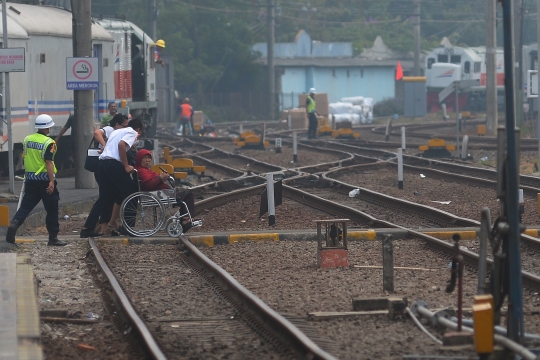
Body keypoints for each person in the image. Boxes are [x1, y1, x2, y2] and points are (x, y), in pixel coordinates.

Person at [6, 114, 67, 246]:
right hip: (45, 180)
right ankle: (53, 238)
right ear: (48, 127)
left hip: (30, 179)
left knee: (25, 207)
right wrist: (51, 181)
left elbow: (26, 156)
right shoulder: (49, 143)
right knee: (52, 209)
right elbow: (49, 162)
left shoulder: (27, 139)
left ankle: (14, 225)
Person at [80, 119, 142, 238]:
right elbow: (121, 145)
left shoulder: (116, 132)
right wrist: (126, 165)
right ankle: (128, 228)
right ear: (138, 129)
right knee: (132, 193)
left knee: (105, 197)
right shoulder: (132, 132)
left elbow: (110, 146)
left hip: (102, 164)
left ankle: (87, 228)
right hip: (114, 164)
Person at [134, 149, 197, 233]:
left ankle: (185, 219)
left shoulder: (145, 170)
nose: (148, 160)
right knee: (188, 193)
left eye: (149, 158)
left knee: (186, 192)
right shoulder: (142, 172)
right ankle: (185, 220)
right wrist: (160, 177)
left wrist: (162, 177)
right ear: (139, 160)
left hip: (161, 193)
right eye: (144, 158)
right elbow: (149, 184)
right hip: (159, 194)